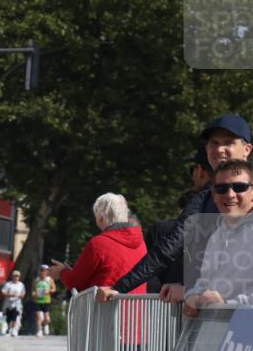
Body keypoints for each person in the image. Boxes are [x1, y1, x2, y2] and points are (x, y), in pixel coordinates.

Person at [97, 115, 252, 303]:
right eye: (214, 143)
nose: (220, 149)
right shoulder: (202, 200)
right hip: (212, 317)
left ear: (247, 149)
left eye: (228, 142)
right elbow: (170, 248)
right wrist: (119, 288)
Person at [183, 159, 253, 316]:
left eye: (240, 187)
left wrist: (226, 305)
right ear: (214, 195)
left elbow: (221, 301)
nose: (230, 194)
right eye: (221, 188)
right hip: (216, 331)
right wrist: (193, 295)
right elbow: (204, 282)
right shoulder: (217, 234)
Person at [47, 193, 148, 295]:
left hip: (106, 308)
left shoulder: (98, 243)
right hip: (136, 308)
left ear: (100, 218)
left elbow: (76, 282)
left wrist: (62, 272)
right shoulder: (141, 243)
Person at [33, 265, 57, 336]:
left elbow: (54, 289)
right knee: (39, 317)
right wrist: (36, 294)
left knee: (46, 318)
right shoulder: (36, 280)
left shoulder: (49, 280)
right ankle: (39, 330)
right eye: (42, 270)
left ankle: (46, 325)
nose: (43, 272)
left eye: (45, 270)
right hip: (38, 301)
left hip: (46, 301)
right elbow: (33, 291)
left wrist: (48, 291)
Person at [0, 271, 25, 337]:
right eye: (15, 276)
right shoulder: (8, 284)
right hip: (8, 304)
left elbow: (23, 292)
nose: (16, 277)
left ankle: (13, 329)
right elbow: (3, 293)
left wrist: (21, 295)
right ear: (12, 276)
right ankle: (8, 328)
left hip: (17, 304)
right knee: (8, 318)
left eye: (18, 276)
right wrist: (11, 295)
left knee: (15, 317)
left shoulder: (21, 285)